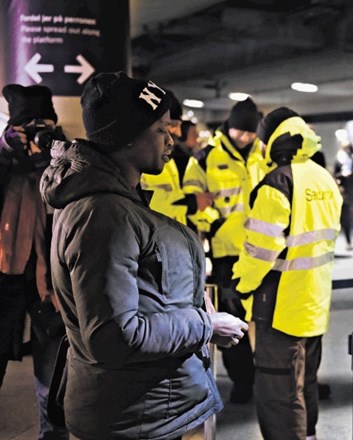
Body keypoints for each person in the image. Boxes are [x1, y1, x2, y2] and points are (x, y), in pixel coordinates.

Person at [39, 72, 248, 440]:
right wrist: (206, 326)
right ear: (128, 138)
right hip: (134, 417)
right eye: (160, 130)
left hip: (143, 411)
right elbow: (113, 336)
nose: (171, 139)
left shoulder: (115, 206)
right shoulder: (104, 216)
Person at [232, 108, 342, 440]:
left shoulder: (278, 182)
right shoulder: (323, 177)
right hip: (314, 303)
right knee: (305, 384)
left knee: (279, 395)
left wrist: (242, 283)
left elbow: (260, 251)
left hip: (279, 307)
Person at [183, 97, 267, 403]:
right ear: (229, 127)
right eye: (240, 131)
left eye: (250, 131)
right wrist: (215, 221)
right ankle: (243, 380)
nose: (245, 137)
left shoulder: (264, 154)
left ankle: (269, 376)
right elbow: (194, 200)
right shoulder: (205, 158)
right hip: (226, 251)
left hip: (263, 250)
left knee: (268, 314)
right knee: (234, 319)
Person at [0, 84, 68, 439]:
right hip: (3, 280)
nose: (38, 133)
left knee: (53, 377)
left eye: (45, 124)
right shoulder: (3, 159)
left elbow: (70, 209)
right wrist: (6, 154)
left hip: (49, 284)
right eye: (30, 126)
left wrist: (48, 159)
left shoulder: (64, 160)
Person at [140, 91, 214, 228]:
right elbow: (144, 203)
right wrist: (192, 202)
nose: (179, 133)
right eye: (173, 125)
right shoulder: (141, 162)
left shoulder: (168, 159)